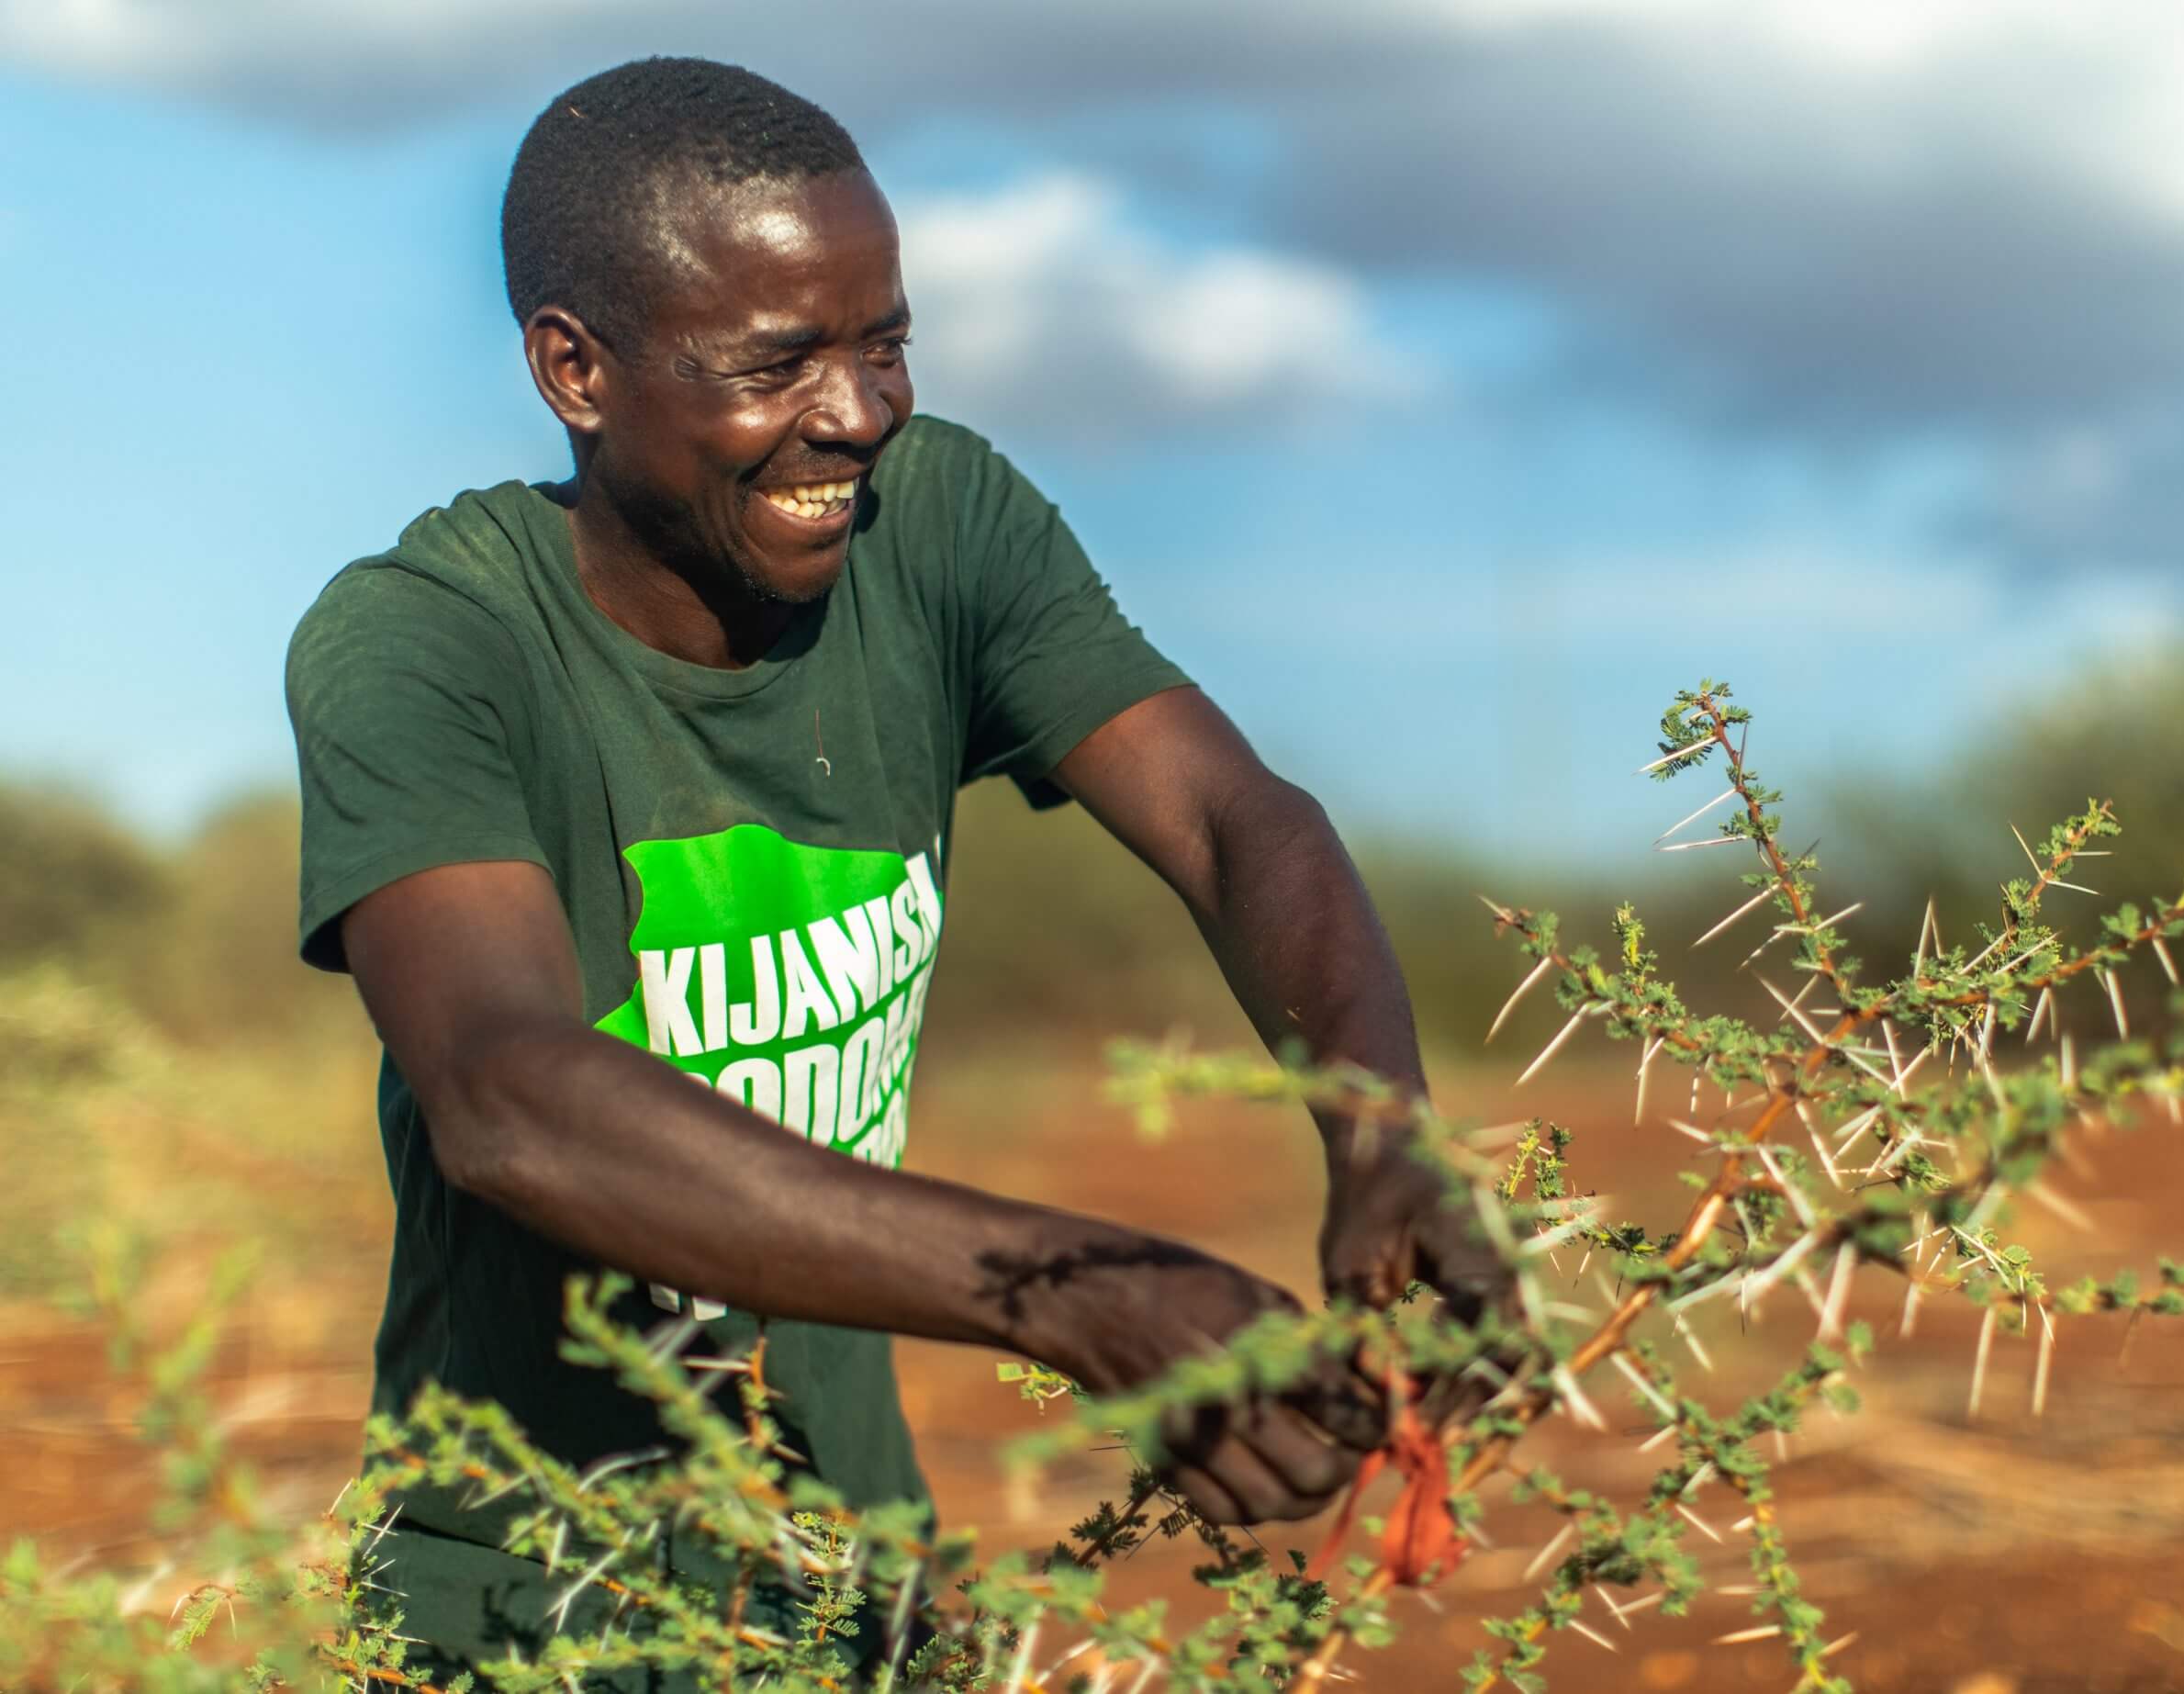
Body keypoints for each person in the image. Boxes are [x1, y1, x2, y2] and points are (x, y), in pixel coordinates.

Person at [286, 54, 1506, 1681]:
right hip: (532, 1592)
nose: (859, 412)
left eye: (886, 342)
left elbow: (1233, 819)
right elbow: (513, 1099)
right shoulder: (424, 643)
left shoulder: (934, 527)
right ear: (576, 369)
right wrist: (1073, 1288)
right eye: (781, 361)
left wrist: (1386, 1130)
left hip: (861, 1567)